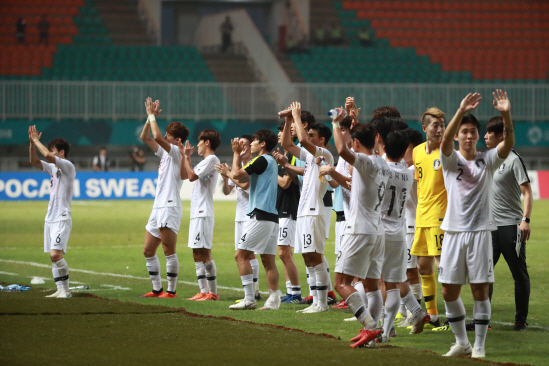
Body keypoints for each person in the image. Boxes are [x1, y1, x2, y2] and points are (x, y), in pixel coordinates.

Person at [439, 90, 515, 358]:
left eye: (473, 131)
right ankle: (462, 342)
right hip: (453, 232)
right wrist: (460, 111)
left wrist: (506, 114)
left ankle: (480, 346)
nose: (469, 136)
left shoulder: (487, 159)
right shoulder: (450, 159)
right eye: (465, 131)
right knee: (448, 290)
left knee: (480, 289)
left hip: (481, 231)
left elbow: (507, 144)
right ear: (458, 135)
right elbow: (445, 140)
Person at [325, 108, 389, 347]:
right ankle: (375, 334)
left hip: (359, 229)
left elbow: (341, 150)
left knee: (341, 283)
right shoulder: (382, 163)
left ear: (357, 143)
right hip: (377, 230)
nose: (350, 146)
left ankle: (370, 325)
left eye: (353, 142)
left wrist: (335, 123)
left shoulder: (364, 161)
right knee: (372, 286)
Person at [216, 129, 282, 310]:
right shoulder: (270, 162)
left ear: (262, 144)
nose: (251, 144)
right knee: (268, 260)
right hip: (271, 217)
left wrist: (235, 155)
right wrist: (231, 173)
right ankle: (274, 299)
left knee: (240, 255)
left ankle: (249, 298)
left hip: (259, 215)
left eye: (254, 141)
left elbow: (238, 175)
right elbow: (244, 182)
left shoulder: (261, 160)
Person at [281, 102, 334, 313]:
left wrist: (295, 115)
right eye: (308, 134)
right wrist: (287, 122)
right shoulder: (311, 157)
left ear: (321, 140)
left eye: (312, 135)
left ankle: (322, 302)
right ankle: (316, 301)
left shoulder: (326, 156)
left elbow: (301, 139)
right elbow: (287, 143)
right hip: (304, 212)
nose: (307, 138)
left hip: (314, 212)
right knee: (306, 256)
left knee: (315, 256)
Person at [482, 116, 532, 331]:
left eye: (489, 133)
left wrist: (525, 220)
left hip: (511, 226)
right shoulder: (486, 159)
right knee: (484, 274)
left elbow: (527, 192)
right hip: (489, 227)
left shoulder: (513, 159)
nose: (484, 136)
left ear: (501, 136)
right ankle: (484, 319)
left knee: (518, 274)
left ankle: (520, 319)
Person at [379, 130, 430, 342]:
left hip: (390, 228)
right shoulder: (409, 172)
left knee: (384, 280)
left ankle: (387, 327)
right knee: (396, 277)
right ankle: (416, 312)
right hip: (400, 228)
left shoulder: (386, 170)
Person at [139, 98, 189, 299]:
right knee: (148, 250)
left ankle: (171, 291)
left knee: (169, 250)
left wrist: (152, 116)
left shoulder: (177, 152)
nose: (164, 136)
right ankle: (157, 289)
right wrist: (148, 119)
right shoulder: (166, 154)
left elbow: (157, 135)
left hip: (170, 206)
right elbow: (146, 136)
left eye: (169, 134)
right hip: (158, 207)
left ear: (177, 140)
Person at [410, 107, 447, 329]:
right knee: (423, 267)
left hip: (441, 217)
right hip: (421, 217)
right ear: (425, 128)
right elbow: (418, 184)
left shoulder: (448, 151)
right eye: (436, 125)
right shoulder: (416, 152)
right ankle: (432, 315)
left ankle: (454, 315)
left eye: (442, 125)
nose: (440, 129)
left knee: (444, 267)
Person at [28, 126, 75, 298]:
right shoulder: (53, 169)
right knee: (52, 257)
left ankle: (67, 291)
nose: (49, 152)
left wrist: (36, 141)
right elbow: (34, 161)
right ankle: (60, 289)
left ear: (61, 153)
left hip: (62, 217)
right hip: (50, 218)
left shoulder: (67, 166)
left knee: (56, 255)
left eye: (53, 150)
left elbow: (46, 156)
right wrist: (32, 144)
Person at [221, 135, 262, 301]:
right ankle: (253, 292)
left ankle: (254, 291)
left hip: (251, 214)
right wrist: (226, 178)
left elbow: (246, 187)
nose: (241, 147)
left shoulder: (255, 164)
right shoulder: (238, 166)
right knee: (245, 253)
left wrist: (230, 175)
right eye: (238, 145)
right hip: (239, 215)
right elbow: (226, 191)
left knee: (248, 253)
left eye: (244, 144)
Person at [182, 130, 221, 301]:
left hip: (203, 212)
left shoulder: (211, 160)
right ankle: (203, 291)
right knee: (196, 253)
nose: (196, 145)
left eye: (199, 142)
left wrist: (187, 157)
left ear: (207, 142)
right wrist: (186, 158)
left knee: (205, 253)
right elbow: (187, 174)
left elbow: (191, 176)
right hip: (197, 212)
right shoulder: (205, 161)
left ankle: (213, 293)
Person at [396, 128, 425, 328]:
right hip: (404, 225)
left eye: (405, 147)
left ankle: (416, 313)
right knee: (405, 271)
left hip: (412, 225)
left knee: (410, 271)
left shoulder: (414, 169)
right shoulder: (407, 168)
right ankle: (408, 312)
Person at [272, 122, 302, 304]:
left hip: (288, 207)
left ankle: (296, 292)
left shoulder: (292, 156)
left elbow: (285, 182)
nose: (279, 135)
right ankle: (291, 291)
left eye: (282, 132)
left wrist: (271, 173)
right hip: (280, 207)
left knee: (284, 252)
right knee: (283, 252)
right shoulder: (285, 155)